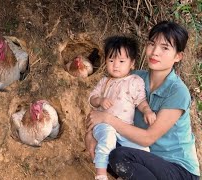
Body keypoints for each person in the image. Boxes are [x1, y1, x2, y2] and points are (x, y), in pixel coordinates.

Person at [86, 21, 200, 180]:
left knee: (119, 156)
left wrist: (107, 119)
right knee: (105, 147)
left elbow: (148, 138)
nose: (155, 52)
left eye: (165, 48)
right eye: (152, 44)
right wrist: (91, 135)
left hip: (178, 170)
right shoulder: (133, 78)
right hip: (144, 159)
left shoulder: (177, 92)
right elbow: (101, 110)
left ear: (178, 56)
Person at [85, 36, 156, 180]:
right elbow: (92, 98)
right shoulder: (105, 81)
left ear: (132, 64)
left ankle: (125, 175)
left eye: (122, 61)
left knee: (144, 149)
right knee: (108, 140)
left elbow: (140, 101)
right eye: (111, 60)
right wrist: (100, 100)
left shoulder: (136, 81)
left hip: (125, 127)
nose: (115, 65)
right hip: (103, 124)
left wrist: (147, 111)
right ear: (105, 61)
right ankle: (101, 174)